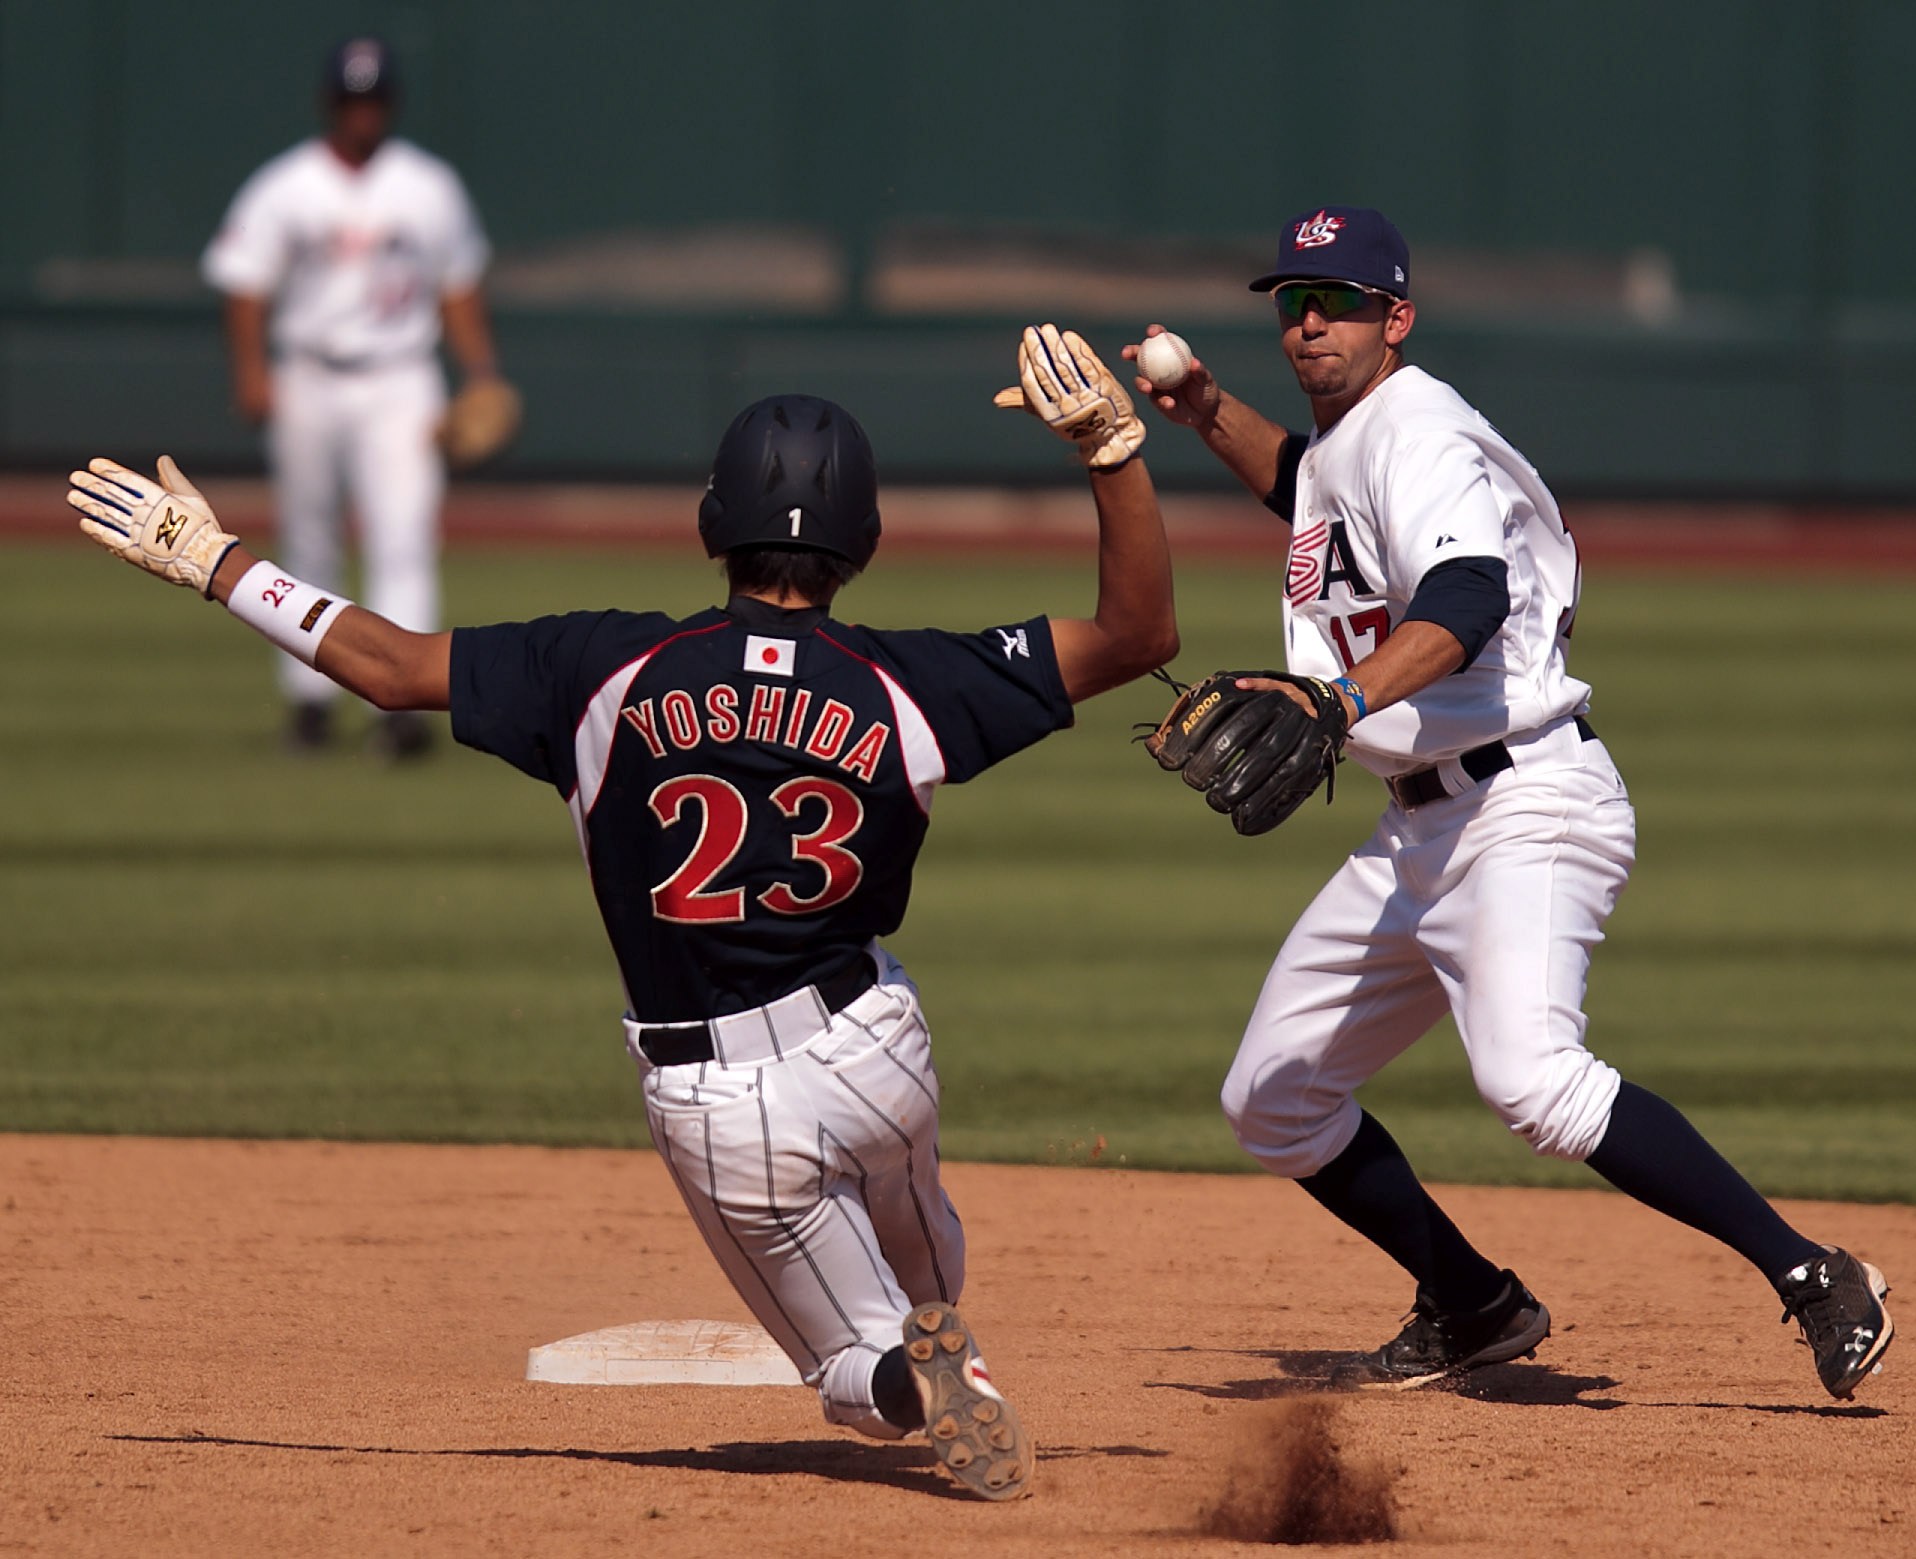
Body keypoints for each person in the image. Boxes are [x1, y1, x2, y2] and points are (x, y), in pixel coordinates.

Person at [67, 325, 1175, 1497]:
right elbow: (1136, 634)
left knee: (854, 1364)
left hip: (723, 1097)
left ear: (710, 526)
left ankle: (909, 1381)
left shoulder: (600, 665)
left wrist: (219, 561)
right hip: (875, 1049)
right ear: (866, 539)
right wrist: (1111, 453)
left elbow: (388, 667)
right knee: (922, 1248)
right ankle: (955, 1355)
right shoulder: (915, 680)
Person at [1125, 206, 1894, 1399]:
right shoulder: (1353, 437)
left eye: (1335, 299)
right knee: (1272, 1096)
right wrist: (1204, 412)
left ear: (1397, 317)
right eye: (1291, 299)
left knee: (1530, 1079)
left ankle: (1812, 1273)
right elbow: (1310, 495)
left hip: (1524, 802)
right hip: (1416, 829)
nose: (1309, 318)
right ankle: (1473, 1302)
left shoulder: (1416, 429)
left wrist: (1335, 703)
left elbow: (1468, 592)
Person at [202, 36, 505, 757]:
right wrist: (250, 369)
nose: (362, 113)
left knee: (402, 533)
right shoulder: (286, 185)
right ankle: (310, 701)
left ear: (391, 104)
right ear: (329, 103)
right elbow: (245, 283)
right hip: (309, 371)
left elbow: (457, 285)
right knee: (308, 536)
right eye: (351, 99)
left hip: (401, 376)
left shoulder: (428, 185)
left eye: (373, 99)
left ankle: (401, 710)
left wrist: (483, 372)